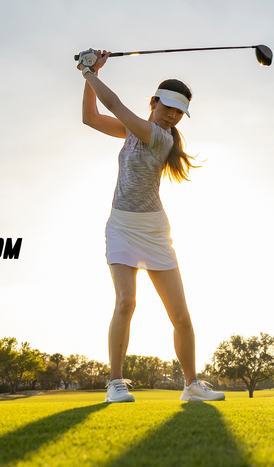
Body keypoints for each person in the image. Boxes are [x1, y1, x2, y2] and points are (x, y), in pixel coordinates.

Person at [78, 49, 224, 403]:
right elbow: (91, 117)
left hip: (154, 231)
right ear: (155, 102)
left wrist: (89, 71)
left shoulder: (162, 138)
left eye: (179, 113)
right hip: (121, 227)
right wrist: (89, 77)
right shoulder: (133, 131)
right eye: (168, 108)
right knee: (126, 302)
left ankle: (191, 385)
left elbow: (112, 103)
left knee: (181, 316)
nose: (172, 117)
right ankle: (115, 383)